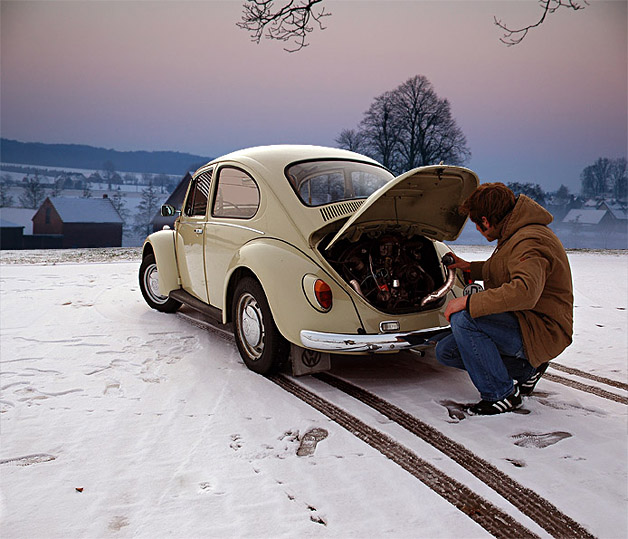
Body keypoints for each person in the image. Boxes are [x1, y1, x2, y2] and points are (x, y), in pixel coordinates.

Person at [436, 182, 573, 415]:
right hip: (525, 321)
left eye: (477, 224)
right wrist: (471, 268)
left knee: (465, 319)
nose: (478, 230)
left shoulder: (530, 240)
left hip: (541, 329)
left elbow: (525, 291)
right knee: (446, 351)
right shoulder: (516, 232)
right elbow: (506, 266)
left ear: (486, 221)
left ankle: (500, 395)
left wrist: (467, 302)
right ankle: (527, 370)